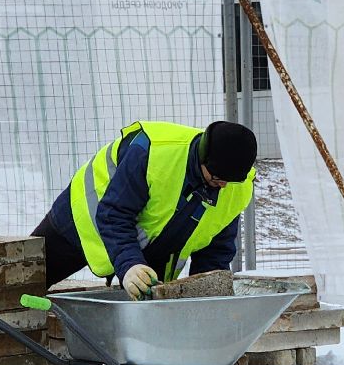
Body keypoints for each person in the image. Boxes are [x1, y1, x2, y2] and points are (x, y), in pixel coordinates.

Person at [34, 120, 258, 299]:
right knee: (24, 282)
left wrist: (206, 297)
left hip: (150, 251)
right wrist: (129, 264)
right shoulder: (153, 152)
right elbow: (114, 214)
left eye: (231, 181)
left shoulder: (237, 186)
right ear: (202, 159)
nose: (224, 186)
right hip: (76, 223)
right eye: (217, 178)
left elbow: (215, 251)